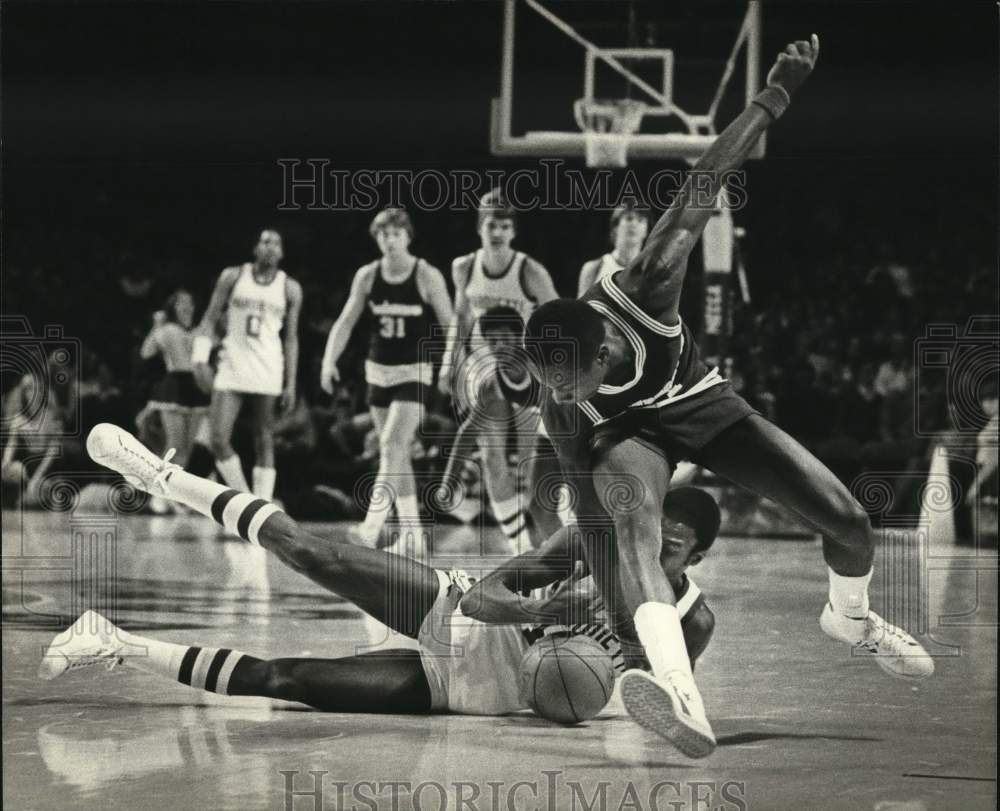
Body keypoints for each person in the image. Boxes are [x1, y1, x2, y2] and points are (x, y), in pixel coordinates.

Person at [523, 35, 932, 759]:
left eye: (568, 381)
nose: (557, 397)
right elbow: (589, 511)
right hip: (630, 441)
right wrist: (623, 619)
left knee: (847, 521)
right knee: (633, 524)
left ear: (601, 352)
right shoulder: (564, 406)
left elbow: (708, 176)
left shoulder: (649, 278)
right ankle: (680, 693)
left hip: (699, 401)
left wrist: (775, 93)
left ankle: (852, 617)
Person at [41, 423, 717, 719]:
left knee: (290, 680)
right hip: (462, 616)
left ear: (697, 555)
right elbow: (484, 598)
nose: (660, 547)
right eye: (658, 532)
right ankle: (167, 476)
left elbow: (645, 698)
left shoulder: (693, 622)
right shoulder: (593, 537)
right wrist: (549, 614)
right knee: (313, 551)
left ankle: (115, 642)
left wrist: (583, 676)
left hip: (477, 694)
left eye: (677, 545)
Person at [320, 208, 453, 549]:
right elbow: (346, 321)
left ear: (408, 236)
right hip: (378, 371)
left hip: (415, 371)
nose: (389, 240)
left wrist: (450, 365)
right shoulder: (368, 275)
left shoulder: (425, 274)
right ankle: (413, 536)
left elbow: (451, 323)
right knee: (396, 454)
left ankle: (370, 527)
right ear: (376, 238)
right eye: (383, 235)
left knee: (391, 445)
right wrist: (328, 361)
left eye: (395, 234)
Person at [192, 229, 302, 502]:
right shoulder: (233, 276)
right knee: (217, 438)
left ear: (282, 252)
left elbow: (291, 338)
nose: (270, 247)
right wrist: (198, 359)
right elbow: (208, 319)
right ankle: (245, 500)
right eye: (265, 241)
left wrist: (291, 382)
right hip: (233, 363)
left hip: (268, 366)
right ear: (255, 248)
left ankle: (262, 507)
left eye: (276, 243)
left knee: (264, 438)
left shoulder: (290, 287)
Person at [440, 306, 544, 554]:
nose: (499, 346)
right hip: (544, 431)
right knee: (492, 459)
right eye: (493, 341)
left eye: (505, 339)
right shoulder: (491, 383)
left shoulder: (542, 366)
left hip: (564, 428)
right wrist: (448, 481)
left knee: (547, 496)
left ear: (520, 338)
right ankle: (522, 547)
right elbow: (468, 432)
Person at [140, 289, 210, 469]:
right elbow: (146, 352)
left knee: (187, 448)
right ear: (173, 307)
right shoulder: (167, 329)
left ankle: (174, 494)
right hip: (175, 386)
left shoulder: (200, 330)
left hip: (196, 386)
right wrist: (156, 325)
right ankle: (159, 495)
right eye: (182, 302)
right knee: (174, 444)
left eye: (190, 302)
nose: (187, 306)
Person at [577, 203, 651, 297]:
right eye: (629, 218)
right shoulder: (592, 268)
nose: (634, 224)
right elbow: (580, 309)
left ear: (646, 231)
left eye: (640, 220)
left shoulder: (650, 272)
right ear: (615, 227)